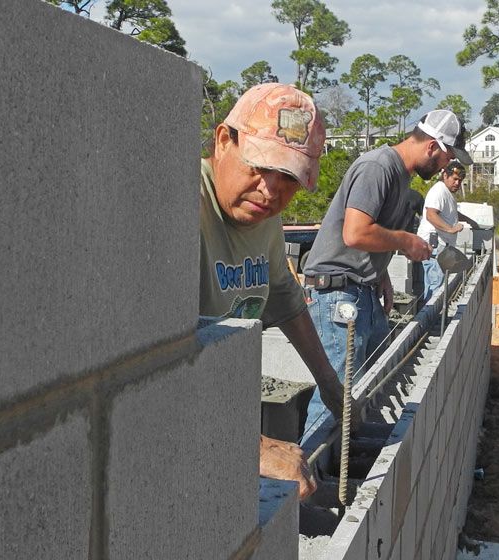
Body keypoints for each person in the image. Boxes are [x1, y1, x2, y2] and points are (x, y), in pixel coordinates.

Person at [198, 82, 350, 499]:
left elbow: (284, 298)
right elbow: (149, 369)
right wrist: (255, 447)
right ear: (224, 140)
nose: (271, 190)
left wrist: (329, 382)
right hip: (183, 434)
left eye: (288, 178)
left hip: (223, 426)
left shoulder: (261, 218)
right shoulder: (185, 207)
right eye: (259, 167)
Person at [300, 110, 472, 428]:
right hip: (336, 292)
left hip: (360, 290)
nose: (444, 167)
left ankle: (352, 463)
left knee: (376, 380)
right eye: (445, 158)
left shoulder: (400, 178)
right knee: (335, 397)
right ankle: (312, 473)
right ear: (432, 146)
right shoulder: (378, 167)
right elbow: (355, 232)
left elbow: (369, 235)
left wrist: (380, 275)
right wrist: (406, 241)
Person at [416, 161, 478, 300]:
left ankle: (433, 317)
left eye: (460, 180)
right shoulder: (439, 191)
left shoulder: (447, 194)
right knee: (435, 285)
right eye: (455, 179)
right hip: (435, 245)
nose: (457, 183)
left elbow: (451, 213)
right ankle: (430, 320)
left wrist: (470, 220)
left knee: (439, 284)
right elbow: (431, 215)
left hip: (442, 247)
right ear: (445, 175)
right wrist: (451, 229)